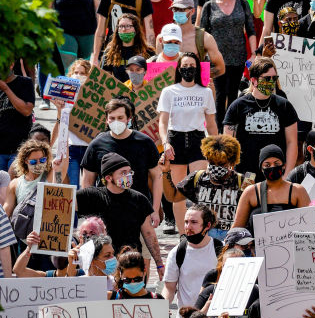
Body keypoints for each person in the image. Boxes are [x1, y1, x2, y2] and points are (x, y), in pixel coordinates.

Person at [75, 152, 165, 277]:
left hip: (130, 265)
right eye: (123, 173)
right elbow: (63, 203)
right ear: (108, 177)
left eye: (129, 172)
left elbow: (149, 233)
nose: (128, 175)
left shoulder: (139, 199)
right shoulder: (91, 196)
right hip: (101, 266)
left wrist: (159, 263)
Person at [158, 52, 218, 232]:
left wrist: (218, 147)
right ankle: (183, 234)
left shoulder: (205, 91)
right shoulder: (169, 91)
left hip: (197, 140)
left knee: (201, 189)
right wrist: (165, 143)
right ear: (178, 68)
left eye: (192, 66)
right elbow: (162, 121)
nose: (188, 69)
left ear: (197, 69)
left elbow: (212, 123)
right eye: (185, 66)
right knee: (179, 194)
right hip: (175, 139)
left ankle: (201, 230)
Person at [80, 96, 160, 210]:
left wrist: (155, 209)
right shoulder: (96, 145)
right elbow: (87, 181)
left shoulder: (145, 142)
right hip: (106, 209)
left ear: (129, 119)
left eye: (120, 117)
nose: (116, 121)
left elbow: (157, 177)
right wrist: (90, 210)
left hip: (139, 209)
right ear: (106, 120)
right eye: (112, 118)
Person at [224, 57, 299, 176]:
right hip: (245, 174)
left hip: (275, 173)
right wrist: (232, 174)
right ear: (254, 81)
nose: (271, 82)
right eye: (267, 78)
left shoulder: (284, 106)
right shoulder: (238, 106)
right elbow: (228, 143)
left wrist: (287, 175)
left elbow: (292, 142)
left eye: (274, 78)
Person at [200, 0, 257, 122]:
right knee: (219, 94)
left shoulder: (242, 3)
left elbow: (251, 30)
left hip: (238, 56)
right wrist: (202, 59)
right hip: (216, 57)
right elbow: (202, 34)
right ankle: (219, 129)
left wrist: (253, 53)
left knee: (233, 93)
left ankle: (231, 126)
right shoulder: (209, 6)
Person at [162, 204, 220, 318]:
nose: (188, 227)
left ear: (207, 225)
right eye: (186, 222)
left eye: (194, 222)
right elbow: (169, 288)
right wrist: (162, 307)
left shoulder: (220, 250)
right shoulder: (177, 252)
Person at [176, 134, 246, 239]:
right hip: (205, 233)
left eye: (221, 163)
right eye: (212, 162)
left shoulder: (243, 181)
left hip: (231, 233)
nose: (216, 167)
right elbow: (173, 196)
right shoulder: (198, 177)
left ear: (231, 162)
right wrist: (165, 172)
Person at [232, 143, 310, 233]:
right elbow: (237, 228)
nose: (272, 167)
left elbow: (308, 227)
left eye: (276, 164)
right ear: (261, 168)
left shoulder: (297, 191)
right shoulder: (250, 192)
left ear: (284, 165)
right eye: (267, 165)